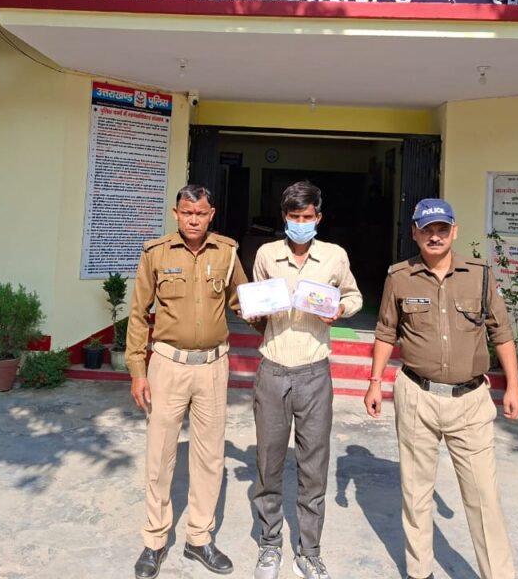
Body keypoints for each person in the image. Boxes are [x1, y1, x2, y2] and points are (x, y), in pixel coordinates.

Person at [364, 198, 518, 579]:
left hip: (470, 401)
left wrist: (514, 387)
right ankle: (420, 572)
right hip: (416, 395)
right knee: (416, 492)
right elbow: (386, 331)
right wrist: (375, 382)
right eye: (427, 230)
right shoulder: (399, 277)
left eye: (442, 229)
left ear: (454, 231)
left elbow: (501, 333)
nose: (434, 236)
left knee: (483, 497)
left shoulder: (479, 275)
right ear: (415, 233)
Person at [126, 184, 248, 579]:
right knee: (160, 456)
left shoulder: (227, 252)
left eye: (200, 213)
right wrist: (138, 371)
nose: (193, 220)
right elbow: (138, 313)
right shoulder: (156, 253)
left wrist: (268, 312)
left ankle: (199, 537)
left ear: (211, 215)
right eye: (187, 213)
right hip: (167, 365)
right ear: (176, 214)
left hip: (213, 366)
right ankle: (154, 540)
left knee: (210, 456)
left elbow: (241, 300)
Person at [249, 181, 363, 579]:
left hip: (315, 372)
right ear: (285, 217)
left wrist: (340, 310)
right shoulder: (267, 254)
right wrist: (254, 312)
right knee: (268, 462)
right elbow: (257, 302)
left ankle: (309, 552)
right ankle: (269, 545)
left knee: (314, 466)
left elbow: (354, 296)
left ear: (319, 217)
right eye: (294, 217)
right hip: (272, 368)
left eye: (308, 217)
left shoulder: (334, 256)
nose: (301, 223)